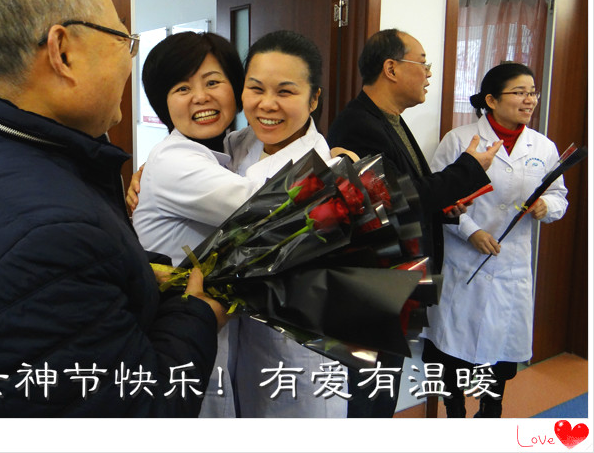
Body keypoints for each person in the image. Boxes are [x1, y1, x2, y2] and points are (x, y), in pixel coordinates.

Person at [0, 0, 228, 417]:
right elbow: (136, 415)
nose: (128, 61)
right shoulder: (54, 239)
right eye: (124, 40)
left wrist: (134, 273)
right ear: (62, 52)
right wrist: (198, 314)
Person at [129, 30, 350, 417]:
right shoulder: (238, 144)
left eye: (285, 91)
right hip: (206, 338)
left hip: (294, 350)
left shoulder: (323, 169)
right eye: (256, 88)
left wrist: (341, 171)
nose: (267, 104)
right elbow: (236, 195)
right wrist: (151, 170)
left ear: (314, 98)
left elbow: (276, 210)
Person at [327, 28, 502, 418]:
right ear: (391, 68)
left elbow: (403, 192)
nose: (428, 73)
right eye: (422, 63)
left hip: (395, 284)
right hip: (374, 286)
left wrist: (445, 207)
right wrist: (469, 168)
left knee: (382, 391)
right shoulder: (358, 125)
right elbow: (396, 200)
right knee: (369, 398)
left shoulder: (389, 119)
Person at [420, 62, 568, 418]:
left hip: (509, 267)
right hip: (463, 260)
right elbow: (437, 197)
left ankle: (491, 408)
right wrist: (471, 231)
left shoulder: (543, 146)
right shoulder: (460, 139)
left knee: (499, 351)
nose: (529, 100)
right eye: (519, 92)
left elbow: (559, 195)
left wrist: (545, 206)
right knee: (452, 349)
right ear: (491, 99)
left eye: (532, 93)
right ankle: (454, 406)